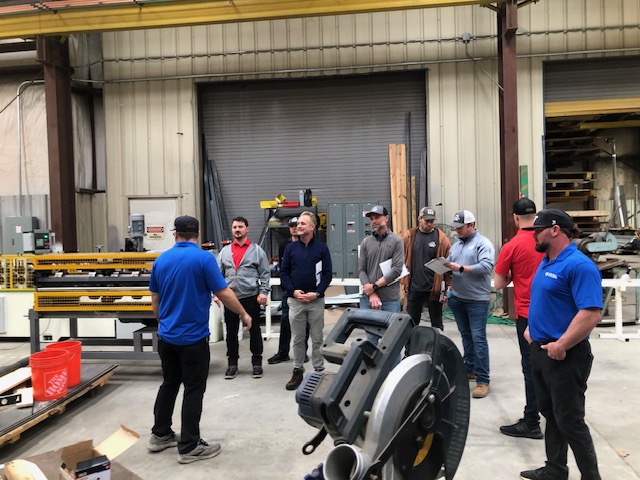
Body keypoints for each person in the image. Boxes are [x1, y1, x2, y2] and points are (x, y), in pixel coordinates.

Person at [148, 215, 252, 464]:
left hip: (167, 338)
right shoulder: (204, 258)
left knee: (169, 383)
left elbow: (155, 301)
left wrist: (164, 324)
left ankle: (160, 434)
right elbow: (224, 292)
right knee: (194, 389)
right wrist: (243, 313)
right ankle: (189, 446)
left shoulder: (161, 260)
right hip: (193, 340)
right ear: (196, 234)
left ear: (175, 234)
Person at [520, 209, 602, 480]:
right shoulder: (547, 261)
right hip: (541, 351)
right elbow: (548, 301)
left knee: (570, 420)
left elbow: (590, 313)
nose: (535, 235)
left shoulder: (579, 265)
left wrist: (562, 344)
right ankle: (555, 469)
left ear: (555, 230)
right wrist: (533, 329)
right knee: (551, 414)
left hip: (566, 356)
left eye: (538, 230)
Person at [494, 198, 544, 439]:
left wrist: (515, 274)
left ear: (515, 218)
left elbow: (499, 282)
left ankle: (532, 421)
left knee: (531, 369)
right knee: (554, 367)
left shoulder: (511, 246)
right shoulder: (547, 241)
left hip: (527, 314)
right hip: (554, 314)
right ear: (536, 216)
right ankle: (556, 419)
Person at [444, 210, 495, 399]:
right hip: (458, 297)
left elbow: (487, 266)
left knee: (478, 338)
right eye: (455, 228)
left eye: (460, 227)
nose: (457, 231)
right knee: (466, 336)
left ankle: (483, 380)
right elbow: (451, 265)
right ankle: (470, 369)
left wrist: (462, 268)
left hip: (476, 301)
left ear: (471, 225)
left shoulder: (483, 244)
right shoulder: (456, 245)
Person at [280, 211, 332, 390]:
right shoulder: (290, 249)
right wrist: (293, 291)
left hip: (316, 301)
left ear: (312, 227)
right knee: (298, 338)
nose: (298, 226)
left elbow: (327, 274)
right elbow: (284, 272)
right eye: (297, 223)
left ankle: (318, 371)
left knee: (317, 338)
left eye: (303, 223)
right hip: (296, 301)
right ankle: (298, 370)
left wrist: (317, 293)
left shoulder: (322, 249)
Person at [217, 217, 270, 379]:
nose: (237, 230)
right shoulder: (224, 252)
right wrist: (216, 294)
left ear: (247, 229)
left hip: (250, 296)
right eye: (234, 227)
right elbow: (218, 275)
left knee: (254, 330)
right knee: (231, 332)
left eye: (240, 227)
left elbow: (265, 274)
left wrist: (263, 292)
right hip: (230, 298)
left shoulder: (256, 251)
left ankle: (257, 363)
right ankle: (232, 364)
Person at [401, 206, 451, 331]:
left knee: (437, 325)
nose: (429, 224)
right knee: (411, 324)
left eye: (431, 221)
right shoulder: (409, 236)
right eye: (426, 220)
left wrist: (446, 289)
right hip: (414, 287)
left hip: (434, 289)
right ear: (419, 218)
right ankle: (410, 350)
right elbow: (401, 259)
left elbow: (448, 266)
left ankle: (437, 349)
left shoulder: (442, 239)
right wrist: (403, 282)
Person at [268, 217, 310, 364]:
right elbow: (283, 268)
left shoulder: (307, 244)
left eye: (296, 225)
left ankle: (302, 352)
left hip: (305, 289)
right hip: (289, 289)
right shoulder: (284, 245)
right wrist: (288, 287)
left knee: (304, 322)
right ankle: (282, 352)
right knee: (285, 320)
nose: (294, 228)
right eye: (291, 226)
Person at [358, 205, 404, 312]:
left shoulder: (397, 241)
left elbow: (397, 270)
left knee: (391, 329)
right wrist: (372, 293)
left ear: (386, 218)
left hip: (389, 300)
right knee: (369, 328)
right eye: (372, 219)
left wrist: (374, 286)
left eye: (377, 218)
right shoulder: (366, 242)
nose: (374, 221)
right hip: (368, 298)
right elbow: (361, 270)